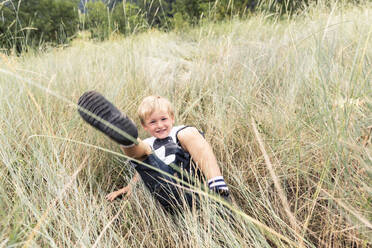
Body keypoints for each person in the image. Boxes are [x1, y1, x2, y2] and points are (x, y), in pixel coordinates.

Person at [78, 92, 229, 213]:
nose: (160, 125)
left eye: (164, 119)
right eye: (153, 122)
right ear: (144, 126)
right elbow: (142, 172)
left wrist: (214, 183)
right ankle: (126, 139)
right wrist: (129, 187)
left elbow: (202, 150)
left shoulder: (179, 131)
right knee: (143, 152)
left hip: (195, 182)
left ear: (172, 118)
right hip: (169, 192)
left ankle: (218, 185)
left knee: (189, 132)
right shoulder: (148, 143)